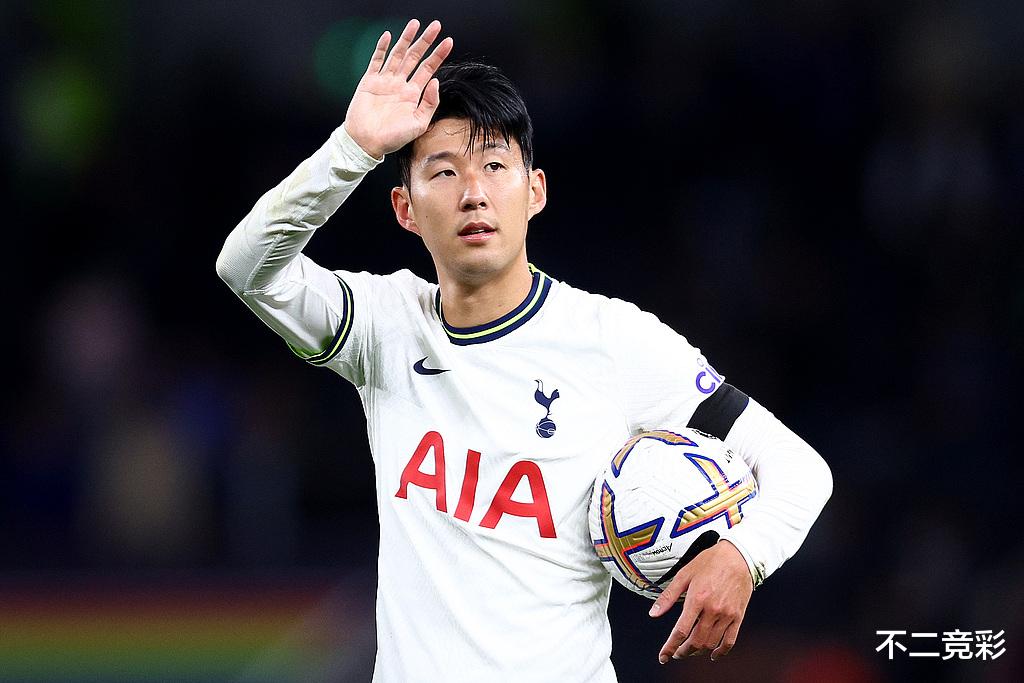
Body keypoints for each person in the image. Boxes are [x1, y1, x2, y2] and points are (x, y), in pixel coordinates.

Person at [216, 18, 833, 681]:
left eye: (494, 166)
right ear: (404, 208)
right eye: (443, 172)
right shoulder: (383, 327)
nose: (473, 193)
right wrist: (353, 148)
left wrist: (742, 555)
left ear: (534, 190)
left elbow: (800, 468)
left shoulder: (612, 339)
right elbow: (246, 267)